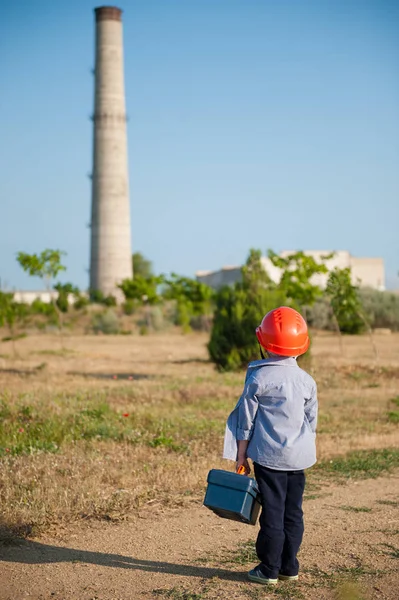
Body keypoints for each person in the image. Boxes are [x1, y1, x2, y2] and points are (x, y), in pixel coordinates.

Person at [223, 306, 318, 586]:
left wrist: (241, 455)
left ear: (262, 340)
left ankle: (269, 569)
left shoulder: (258, 378)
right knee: (293, 512)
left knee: (273, 513)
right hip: (299, 459)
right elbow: (311, 421)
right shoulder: (306, 381)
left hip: (269, 459)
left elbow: (246, 422)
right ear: (303, 345)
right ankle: (290, 566)